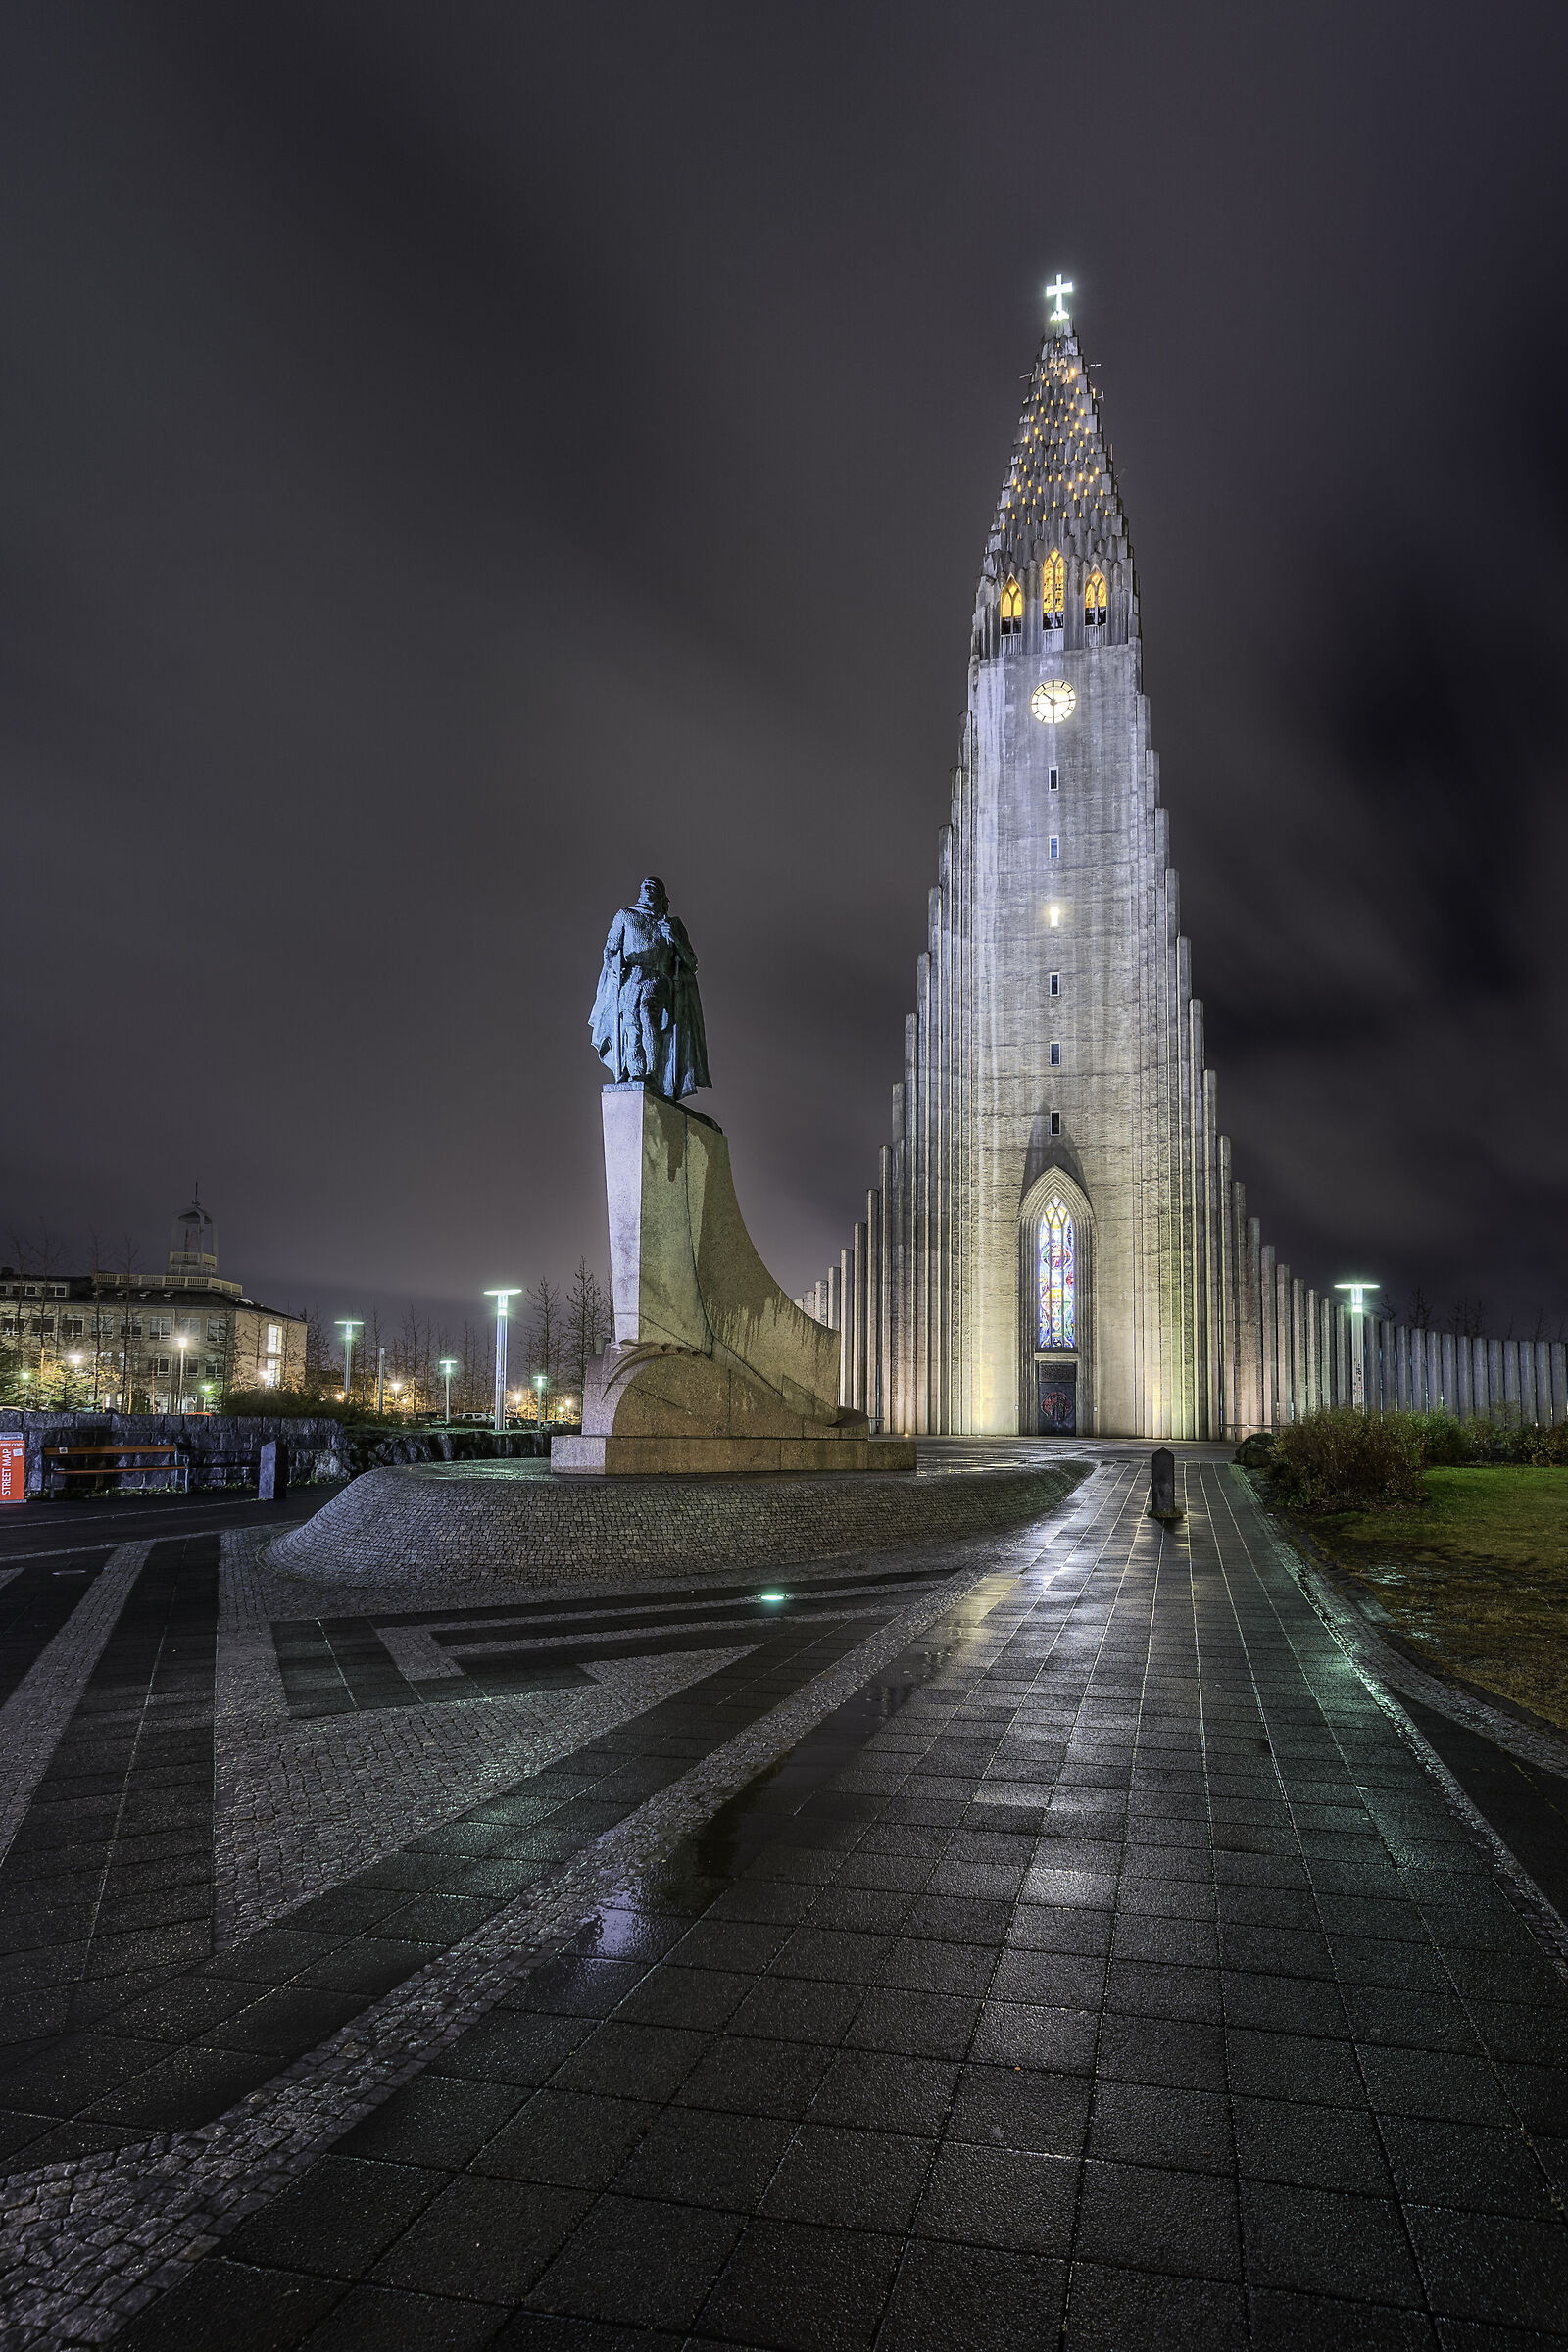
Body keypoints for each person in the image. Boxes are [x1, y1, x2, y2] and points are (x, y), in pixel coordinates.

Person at [589, 875, 710, 1099]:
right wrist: (612, 966)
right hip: (632, 977)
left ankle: (652, 1072)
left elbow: (691, 963)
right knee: (630, 1023)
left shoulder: (672, 924)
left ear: (662, 897)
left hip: (658, 978)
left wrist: (675, 939)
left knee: (647, 1014)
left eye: (653, 886)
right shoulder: (626, 915)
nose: (646, 888)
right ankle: (636, 1072)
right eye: (644, 885)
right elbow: (610, 949)